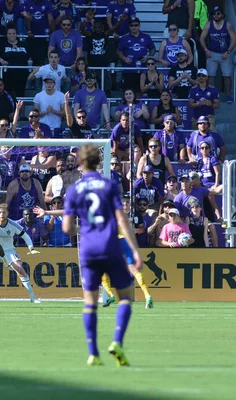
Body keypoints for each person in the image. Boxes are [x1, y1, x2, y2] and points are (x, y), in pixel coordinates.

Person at [62, 144, 142, 367]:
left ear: (79, 162)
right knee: (126, 297)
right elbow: (122, 220)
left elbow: (67, 228)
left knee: (90, 302)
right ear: (99, 161)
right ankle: (117, 342)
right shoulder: (109, 186)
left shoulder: (74, 190)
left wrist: (83, 231)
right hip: (110, 246)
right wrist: (135, 250)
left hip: (88, 249)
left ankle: (93, 353)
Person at [0, 203, 41, 303]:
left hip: (9, 252)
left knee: (20, 269)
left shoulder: (13, 224)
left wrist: (31, 248)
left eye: (4, 212)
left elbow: (25, 236)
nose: (1, 214)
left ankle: (32, 297)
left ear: (8, 213)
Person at [200, 6, 236, 104]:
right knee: (211, 76)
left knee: (227, 76)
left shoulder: (227, 25)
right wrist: (206, 50)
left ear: (222, 14)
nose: (216, 16)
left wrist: (228, 52)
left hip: (225, 54)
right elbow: (201, 38)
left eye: (218, 13)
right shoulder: (209, 25)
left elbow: (234, 39)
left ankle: (228, 95)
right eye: (214, 14)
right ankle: (212, 96)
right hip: (212, 54)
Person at [117, 17, 156, 93]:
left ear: (139, 25)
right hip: (129, 70)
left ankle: (140, 105)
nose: (134, 27)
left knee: (141, 92)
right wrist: (124, 58)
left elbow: (153, 49)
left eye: (136, 25)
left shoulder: (146, 37)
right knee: (128, 93)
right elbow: (119, 51)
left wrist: (148, 57)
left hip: (143, 70)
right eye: (132, 25)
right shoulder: (124, 38)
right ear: (129, 26)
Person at [0, 24, 30, 97]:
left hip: (21, 73)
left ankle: (20, 108)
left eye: (13, 33)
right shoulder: (2, 45)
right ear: (6, 35)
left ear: (16, 34)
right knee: (7, 94)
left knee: (20, 95)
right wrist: (1, 60)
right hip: (7, 74)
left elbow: (29, 56)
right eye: (9, 34)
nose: (12, 35)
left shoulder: (23, 44)